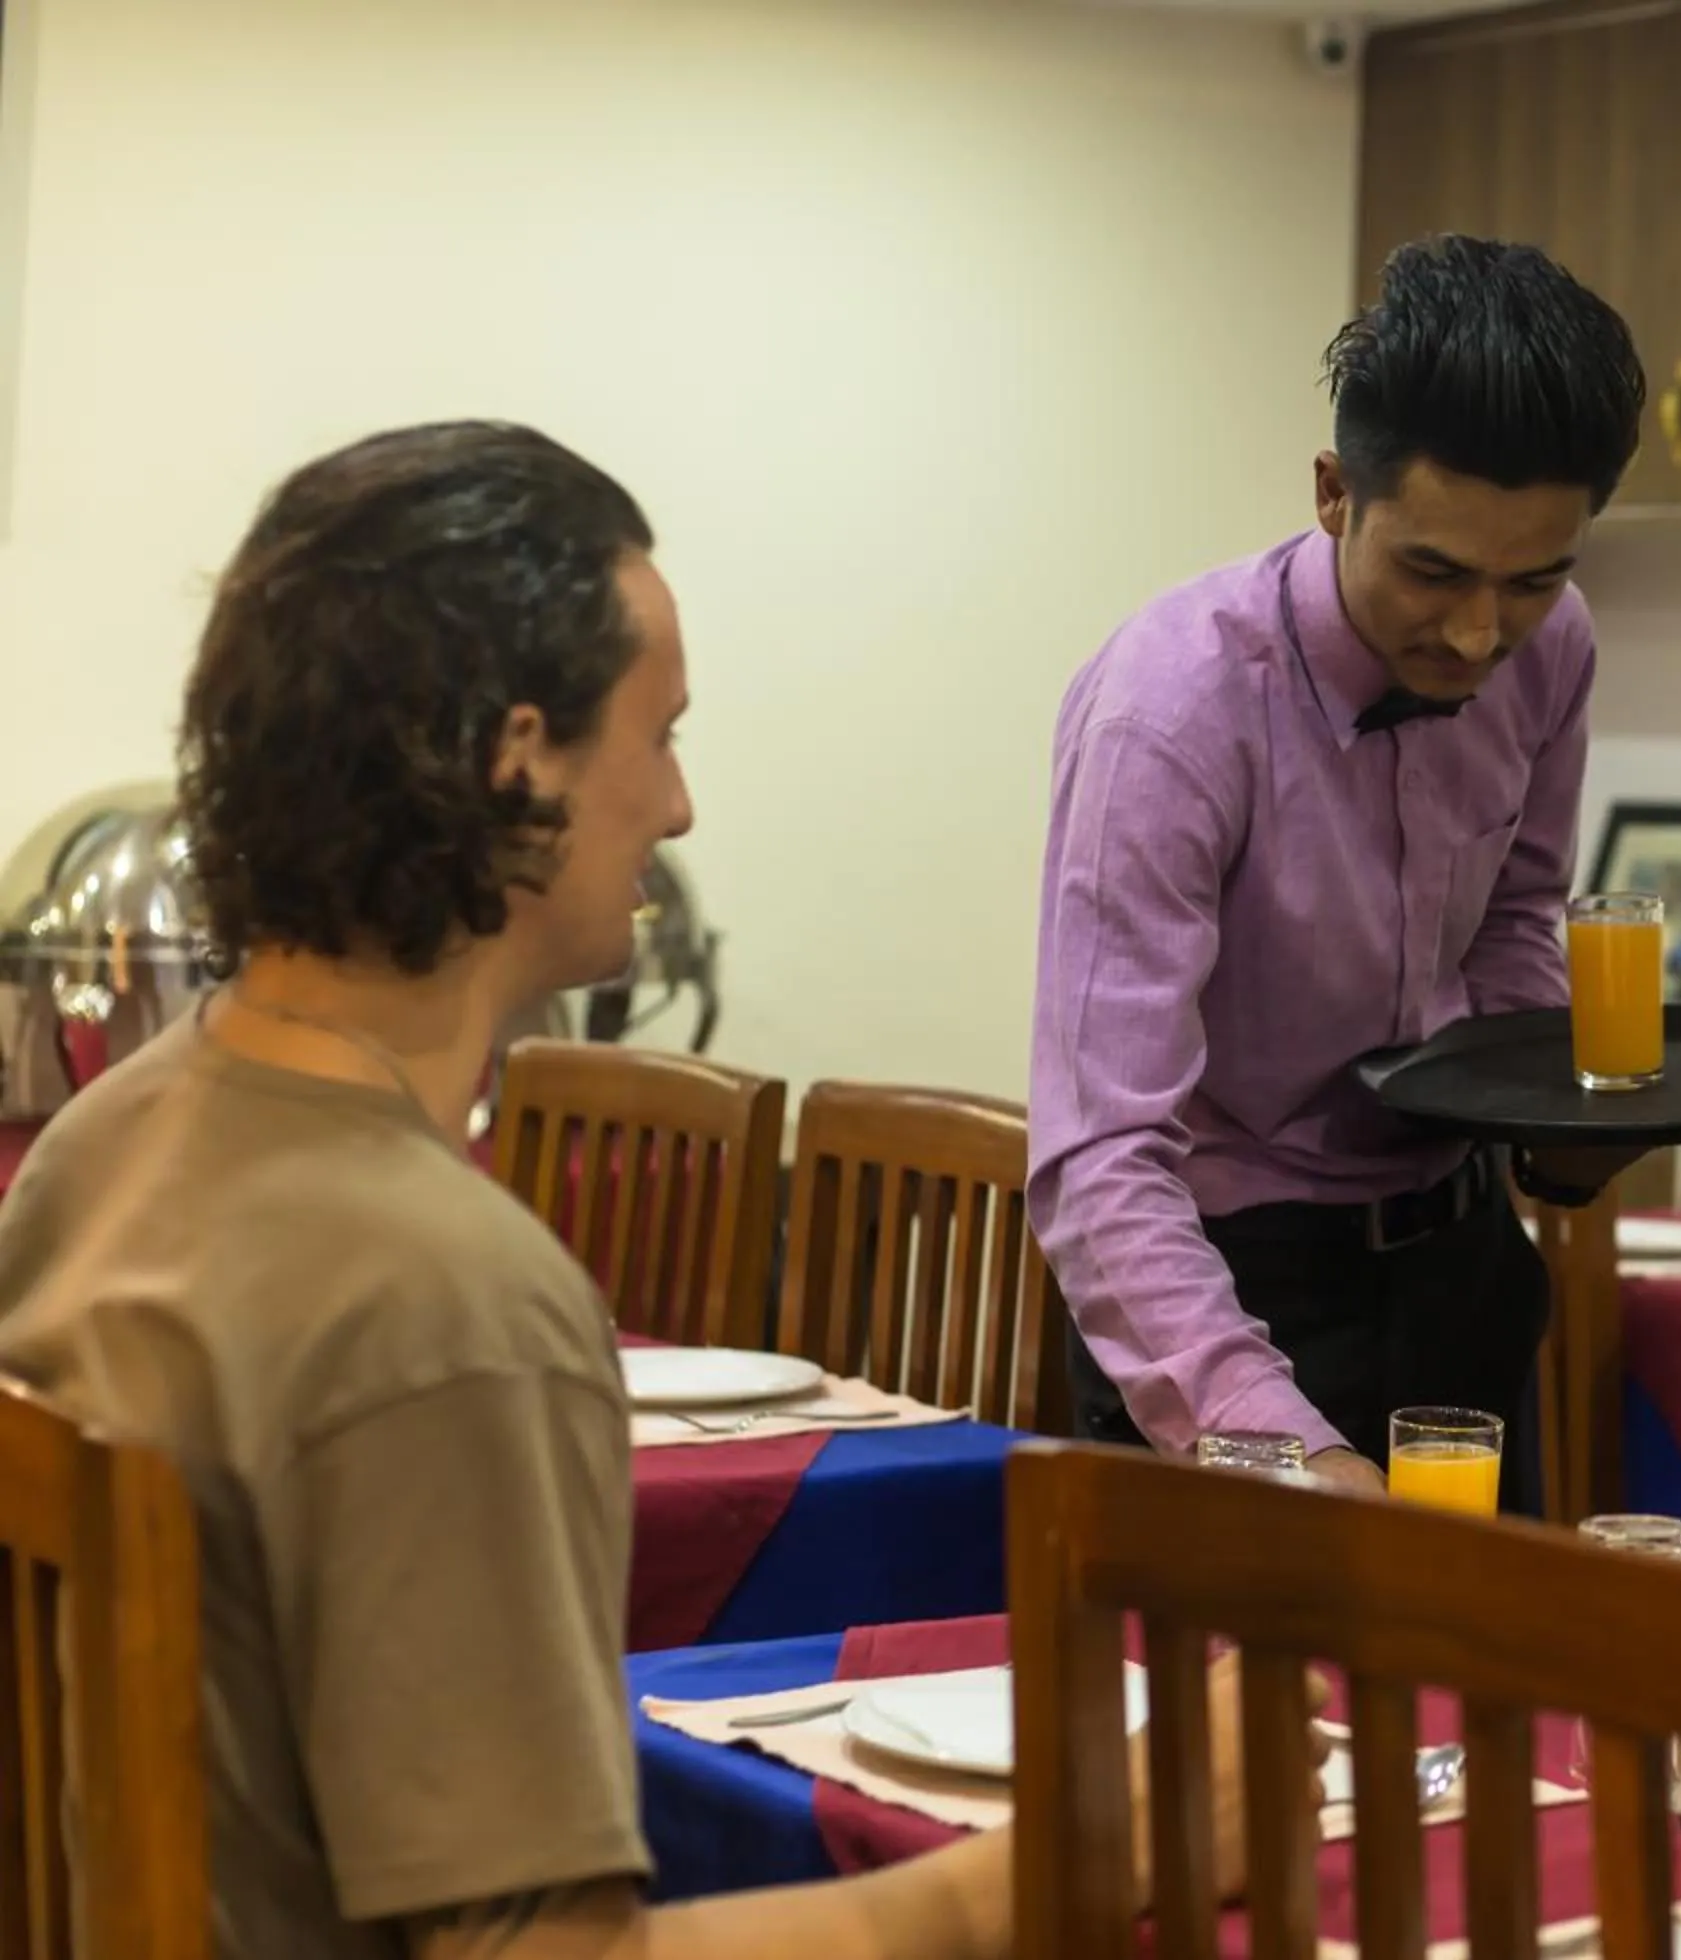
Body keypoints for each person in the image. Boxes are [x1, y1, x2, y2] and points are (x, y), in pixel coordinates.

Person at [0, 422, 1271, 1960]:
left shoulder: (101, 1140)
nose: (677, 807)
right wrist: (1057, 1868)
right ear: (518, 760)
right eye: (659, 733)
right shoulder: (448, 1297)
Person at [1029, 235, 1647, 1510]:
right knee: (1227, 1710)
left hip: (1456, 1270)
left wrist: (1554, 1119)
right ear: (1331, 492)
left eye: (1532, 579)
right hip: (1219, 1293)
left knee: (1485, 1697)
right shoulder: (1171, 714)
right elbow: (1100, 1164)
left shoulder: (1553, 649)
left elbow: (1517, 923)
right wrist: (1273, 1438)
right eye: (1434, 571)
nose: (1482, 633)